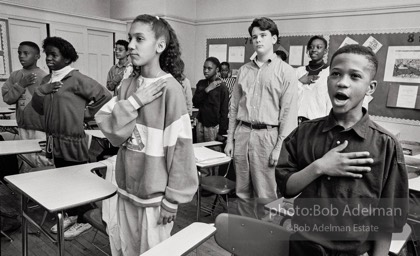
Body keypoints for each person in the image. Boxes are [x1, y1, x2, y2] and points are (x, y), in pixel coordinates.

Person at [276, 45, 408, 256]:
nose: (342, 82)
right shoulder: (303, 133)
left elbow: (387, 221)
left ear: (370, 87)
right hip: (303, 247)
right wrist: (319, 167)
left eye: (355, 76)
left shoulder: (386, 145)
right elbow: (286, 188)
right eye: (335, 74)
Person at [95, 14, 198, 255]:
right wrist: (135, 101)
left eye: (139, 38)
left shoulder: (170, 88)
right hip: (126, 188)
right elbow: (107, 126)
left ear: (160, 46)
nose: (131, 45)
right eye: (130, 38)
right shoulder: (128, 86)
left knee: (154, 251)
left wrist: (173, 200)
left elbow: (180, 148)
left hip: (155, 196)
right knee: (126, 247)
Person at [31, 36, 112, 239]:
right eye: (47, 54)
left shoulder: (76, 79)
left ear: (67, 59)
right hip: (54, 139)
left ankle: (85, 220)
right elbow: (37, 108)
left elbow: (106, 97)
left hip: (72, 139)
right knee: (63, 181)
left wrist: (84, 114)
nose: (48, 58)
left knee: (79, 183)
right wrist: (42, 91)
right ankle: (74, 214)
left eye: (54, 54)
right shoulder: (46, 80)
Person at [224, 17, 298, 199]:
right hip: (242, 134)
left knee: (266, 195)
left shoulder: (286, 72)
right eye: (254, 36)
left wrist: (279, 147)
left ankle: (266, 228)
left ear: (274, 39)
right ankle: (244, 228)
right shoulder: (243, 71)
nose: (257, 40)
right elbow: (234, 108)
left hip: (268, 137)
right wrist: (229, 140)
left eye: (263, 35)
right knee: (242, 192)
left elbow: (288, 115)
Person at [1, 41, 52, 171]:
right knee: (25, 158)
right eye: (19, 53)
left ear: (37, 56)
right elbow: (7, 98)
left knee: (41, 159)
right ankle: (25, 188)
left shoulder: (45, 77)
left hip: (41, 128)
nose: (21, 56)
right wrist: (21, 85)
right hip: (23, 125)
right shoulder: (15, 76)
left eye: (26, 53)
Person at [295, 35, 331, 123]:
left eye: (319, 47)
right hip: (296, 121)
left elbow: (330, 101)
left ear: (325, 51)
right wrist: (299, 82)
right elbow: (290, 96)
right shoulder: (299, 71)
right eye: (311, 47)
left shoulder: (329, 72)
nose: (314, 50)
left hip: (318, 123)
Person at [193, 57, 229, 144]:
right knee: (200, 152)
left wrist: (222, 132)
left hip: (213, 127)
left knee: (213, 152)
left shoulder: (222, 87)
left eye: (209, 68)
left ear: (217, 69)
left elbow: (224, 111)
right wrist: (207, 90)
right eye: (204, 68)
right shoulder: (201, 84)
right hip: (200, 124)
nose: (206, 71)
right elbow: (195, 102)